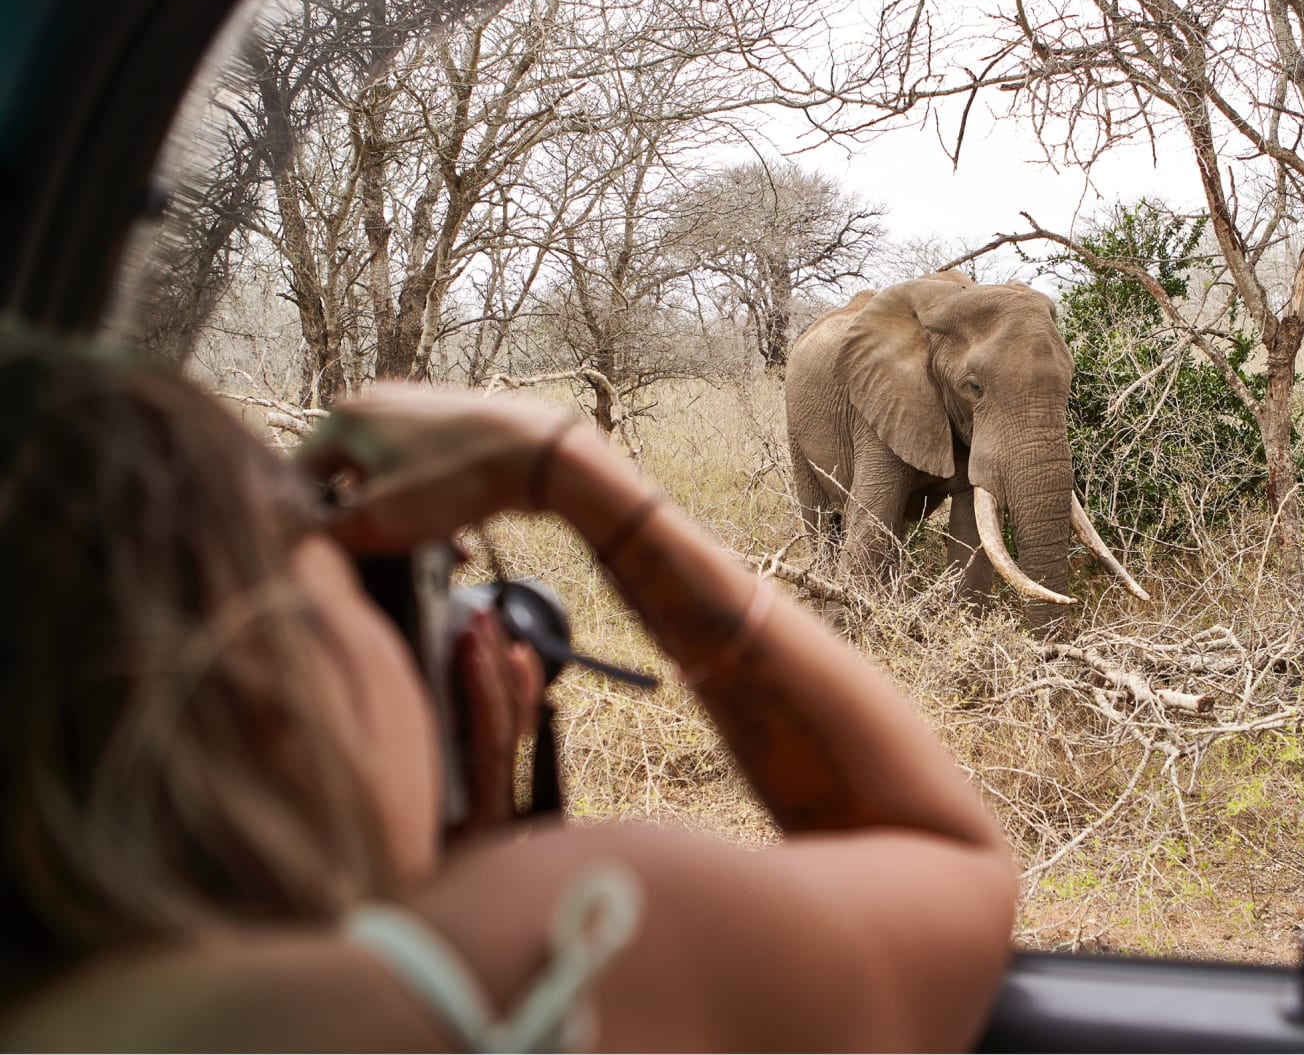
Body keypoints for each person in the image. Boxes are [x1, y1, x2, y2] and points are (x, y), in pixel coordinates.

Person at [0, 337, 1017, 1051]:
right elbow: (949, 861)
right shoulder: (545, 955)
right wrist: (577, 475)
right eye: (374, 606)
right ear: (267, 678)